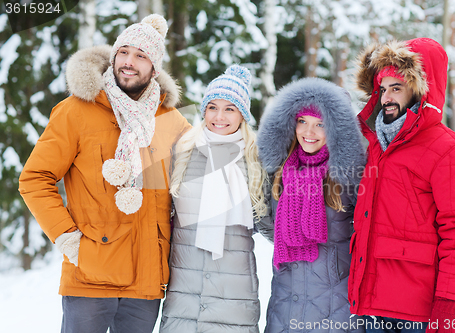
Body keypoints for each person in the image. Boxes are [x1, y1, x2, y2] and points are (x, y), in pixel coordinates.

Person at [18, 14, 191, 333]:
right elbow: (34, 179)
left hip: (146, 284)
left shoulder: (169, 119)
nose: (129, 62)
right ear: (113, 57)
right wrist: (67, 238)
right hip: (90, 280)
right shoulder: (76, 110)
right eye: (123, 52)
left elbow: (205, 164)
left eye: (141, 56)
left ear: (154, 68)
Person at [348, 38, 455, 333]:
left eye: (397, 88)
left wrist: (449, 304)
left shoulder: (449, 150)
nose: (386, 98)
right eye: (382, 89)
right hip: (368, 307)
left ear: (421, 90)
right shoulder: (373, 145)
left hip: (415, 316)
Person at [159, 65, 269, 333]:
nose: (219, 116)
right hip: (184, 292)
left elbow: (270, 223)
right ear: (204, 110)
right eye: (213, 107)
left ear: (243, 115)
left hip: (234, 294)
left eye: (230, 108)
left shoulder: (257, 159)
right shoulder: (183, 151)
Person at [257, 77, 366, 333]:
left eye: (321, 124)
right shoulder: (279, 170)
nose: (309, 132)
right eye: (302, 122)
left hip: (336, 308)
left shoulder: (350, 175)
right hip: (286, 304)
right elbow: (264, 221)